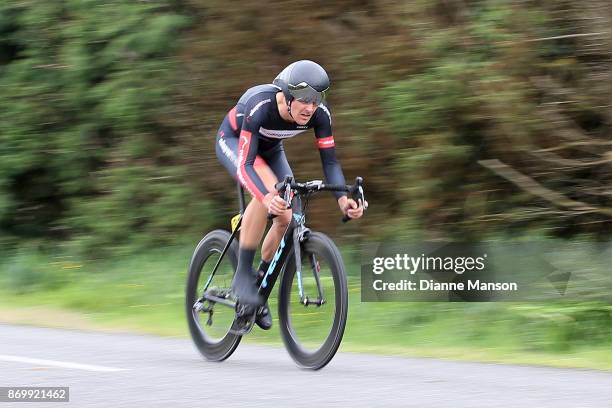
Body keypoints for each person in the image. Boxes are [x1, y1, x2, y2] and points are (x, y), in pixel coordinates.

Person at [215, 60, 366, 330]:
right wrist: (264, 197)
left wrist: (344, 200)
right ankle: (242, 274)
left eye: (317, 100)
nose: (310, 108)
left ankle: (257, 292)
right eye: (304, 100)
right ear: (286, 96)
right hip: (235, 142)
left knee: (287, 217)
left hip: (271, 149)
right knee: (270, 194)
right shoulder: (260, 106)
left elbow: (330, 163)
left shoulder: (320, 115)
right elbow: (246, 164)